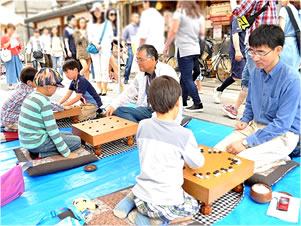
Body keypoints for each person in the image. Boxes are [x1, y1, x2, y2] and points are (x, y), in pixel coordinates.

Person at [113, 76, 204, 223]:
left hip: (141, 198)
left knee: (145, 188)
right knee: (193, 205)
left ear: (151, 101)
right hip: (165, 204)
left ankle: (131, 198)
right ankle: (153, 221)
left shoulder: (142, 125)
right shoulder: (184, 135)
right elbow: (197, 163)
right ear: (178, 102)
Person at [214, 25, 300, 173]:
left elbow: (282, 124)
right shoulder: (255, 73)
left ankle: (279, 160)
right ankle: (268, 159)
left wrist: (246, 143)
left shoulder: (292, 80)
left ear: (278, 50)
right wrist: (245, 120)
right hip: (255, 127)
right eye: (252, 51)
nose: (255, 57)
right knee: (217, 153)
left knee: (239, 164)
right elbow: (250, 104)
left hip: (283, 134)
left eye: (261, 52)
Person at [222, 0, 278, 119]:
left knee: (258, 81)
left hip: (257, 46)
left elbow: (237, 12)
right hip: (269, 44)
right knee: (248, 80)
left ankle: (261, 116)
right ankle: (235, 109)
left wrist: (233, 2)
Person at [106, 44, 180, 123]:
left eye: (141, 60)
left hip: (164, 112)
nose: (138, 63)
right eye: (137, 59)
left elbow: (172, 100)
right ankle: (140, 128)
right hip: (147, 110)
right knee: (119, 110)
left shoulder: (166, 72)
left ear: (152, 59)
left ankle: (141, 127)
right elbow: (128, 93)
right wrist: (113, 106)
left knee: (151, 122)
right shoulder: (141, 74)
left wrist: (158, 117)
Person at [18, 68, 80, 159]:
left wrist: (62, 107)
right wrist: (66, 153)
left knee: (69, 135)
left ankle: (37, 151)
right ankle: (40, 154)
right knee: (76, 141)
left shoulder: (32, 96)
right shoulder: (44, 101)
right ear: (49, 87)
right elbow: (53, 131)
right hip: (37, 144)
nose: (56, 90)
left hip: (27, 141)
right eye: (56, 87)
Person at [163, 0, 205, 112]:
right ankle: (184, 100)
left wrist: (166, 46)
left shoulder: (180, 12)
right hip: (195, 49)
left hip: (184, 50)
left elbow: (173, 31)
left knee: (186, 78)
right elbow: (202, 32)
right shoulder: (197, 14)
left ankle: (197, 103)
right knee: (185, 77)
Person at [1, 67, 64, 132]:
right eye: (36, 80)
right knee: (40, 127)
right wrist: (62, 107)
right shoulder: (27, 92)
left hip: (5, 117)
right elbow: (44, 103)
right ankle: (12, 129)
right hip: (10, 120)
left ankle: (11, 127)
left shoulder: (21, 86)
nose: (39, 82)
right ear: (29, 82)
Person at [213, 15, 246, 106]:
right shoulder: (237, 17)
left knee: (249, 75)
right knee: (237, 76)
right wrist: (238, 51)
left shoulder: (249, 16)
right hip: (239, 51)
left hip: (248, 51)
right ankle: (219, 90)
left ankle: (247, 97)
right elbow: (235, 34)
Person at [88, 3, 114, 96]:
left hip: (105, 48)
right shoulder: (90, 24)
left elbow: (111, 37)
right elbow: (89, 37)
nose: (97, 12)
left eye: (98, 10)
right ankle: (99, 88)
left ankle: (105, 88)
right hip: (94, 48)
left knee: (104, 68)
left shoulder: (107, 23)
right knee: (96, 68)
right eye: (95, 11)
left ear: (101, 12)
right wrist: (96, 44)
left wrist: (103, 44)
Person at [279, 0, 301, 70]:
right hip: (297, 45)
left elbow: (280, 31)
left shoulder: (284, 10)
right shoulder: (298, 11)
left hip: (286, 45)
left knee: (283, 73)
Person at [0, 23, 23, 90]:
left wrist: (18, 43)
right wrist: (10, 42)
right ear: (7, 29)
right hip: (9, 55)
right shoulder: (4, 37)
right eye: (10, 29)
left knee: (19, 68)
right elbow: (3, 46)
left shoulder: (16, 37)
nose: (12, 31)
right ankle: (10, 84)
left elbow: (20, 46)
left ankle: (21, 83)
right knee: (10, 69)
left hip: (16, 54)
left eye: (13, 29)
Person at [122, 13, 139, 84]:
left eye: (138, 17)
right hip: (130, 46)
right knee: (129, 63)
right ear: (132, 18)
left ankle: (138, 79)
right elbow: (123, 39)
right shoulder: (128, 28)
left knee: (138, 63)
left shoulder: (140, 27)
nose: (138, 19)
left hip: (139, 46)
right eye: (136, 17)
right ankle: (126, 77)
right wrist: (124, 47)